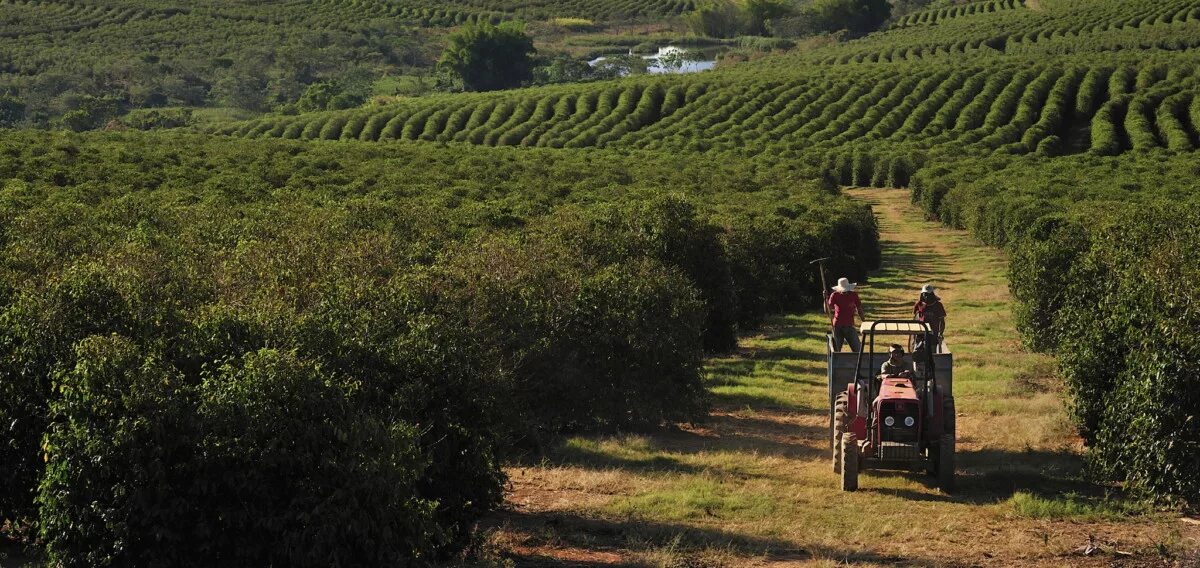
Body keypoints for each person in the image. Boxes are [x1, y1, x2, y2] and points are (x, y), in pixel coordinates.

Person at [827, 277, 865, 352]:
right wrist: (825, 299)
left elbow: (859, 309)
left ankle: (857, 363)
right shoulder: (834, 295)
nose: (844, 292)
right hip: (837, 326)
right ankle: (837, 363)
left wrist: (864, 321)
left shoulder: (853, 295)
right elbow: (828, 310)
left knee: (858, 350)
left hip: (849, 325)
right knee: (836, 351)